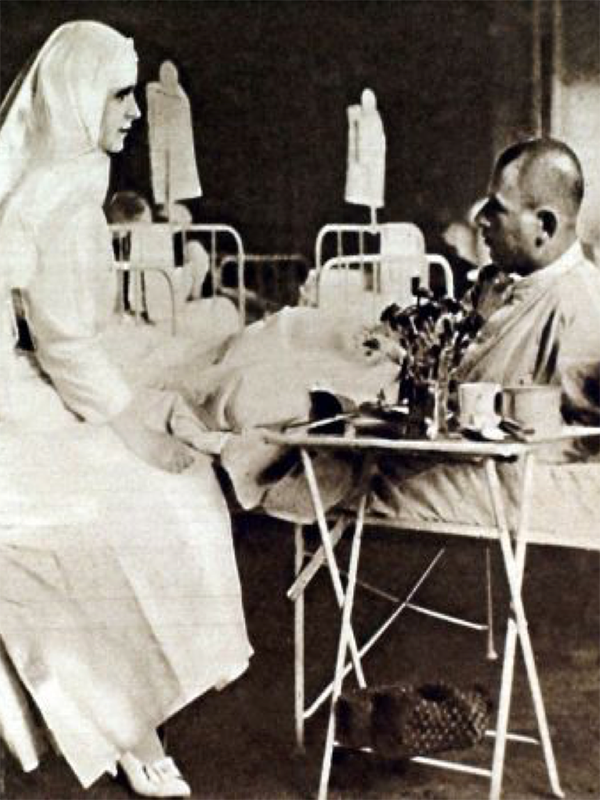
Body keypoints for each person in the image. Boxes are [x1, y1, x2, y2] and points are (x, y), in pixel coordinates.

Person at [0, 20, 251, 797]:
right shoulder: (62, 195)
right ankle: (130, 723)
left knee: (157, 493)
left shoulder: (57, 178)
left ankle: (135, 713)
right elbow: (68, 348)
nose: (134, 112)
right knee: (129, 512)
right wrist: (137, 432)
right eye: (119, 96)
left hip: (23, 380)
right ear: (78, 97)